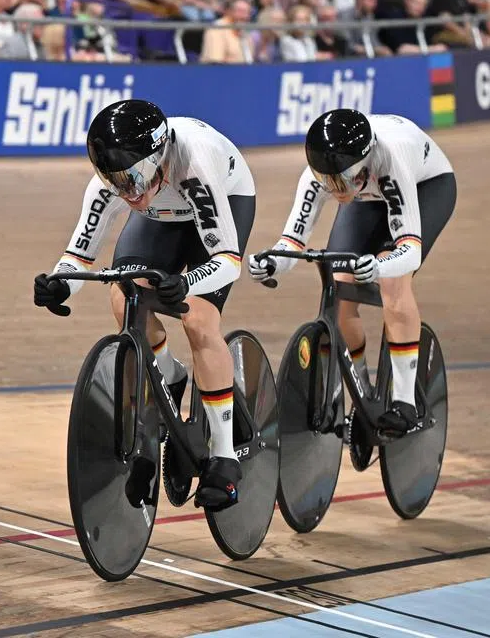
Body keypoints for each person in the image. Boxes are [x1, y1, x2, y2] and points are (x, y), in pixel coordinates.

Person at [32, 100, 257, 512]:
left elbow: (227, 261)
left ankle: (224, 456)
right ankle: (168, 372)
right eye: (115, 181)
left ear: (158, 156)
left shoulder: (194, 164)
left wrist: (186, 281)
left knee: (198, 320)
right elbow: (80, 254)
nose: (126, 191)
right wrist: (59, 284)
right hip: (163, 212)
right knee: (123, 294)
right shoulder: (119, 182)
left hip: (223, 199)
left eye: (132, 177)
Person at [247, 110, 457, 438]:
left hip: (425, 186)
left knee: (392, 279)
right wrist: (273, 262)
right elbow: (293, 240)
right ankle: (363, 395)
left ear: (361, 166)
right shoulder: (326, 176)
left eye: (342, 181)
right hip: (367, 193)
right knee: (340, 281)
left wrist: (379, 266)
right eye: (329, 183)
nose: (336, 189)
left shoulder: (390, 159)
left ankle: (404, 403)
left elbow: (410, 249)